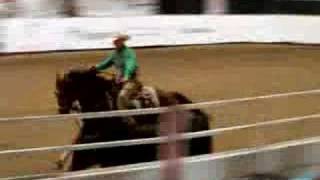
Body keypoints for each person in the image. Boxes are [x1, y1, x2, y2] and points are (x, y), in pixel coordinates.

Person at [90, 34, 140, 110]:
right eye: (115, 42)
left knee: (122, 96)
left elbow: (130, 64)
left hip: (130, 80)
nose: (115, 43)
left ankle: (128, 118)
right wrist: (95, 67)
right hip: (118, 80)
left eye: (117, 41)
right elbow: (106, 63)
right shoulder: (114, 54)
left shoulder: (129, 52)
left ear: (122, 42)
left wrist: (126, 76)